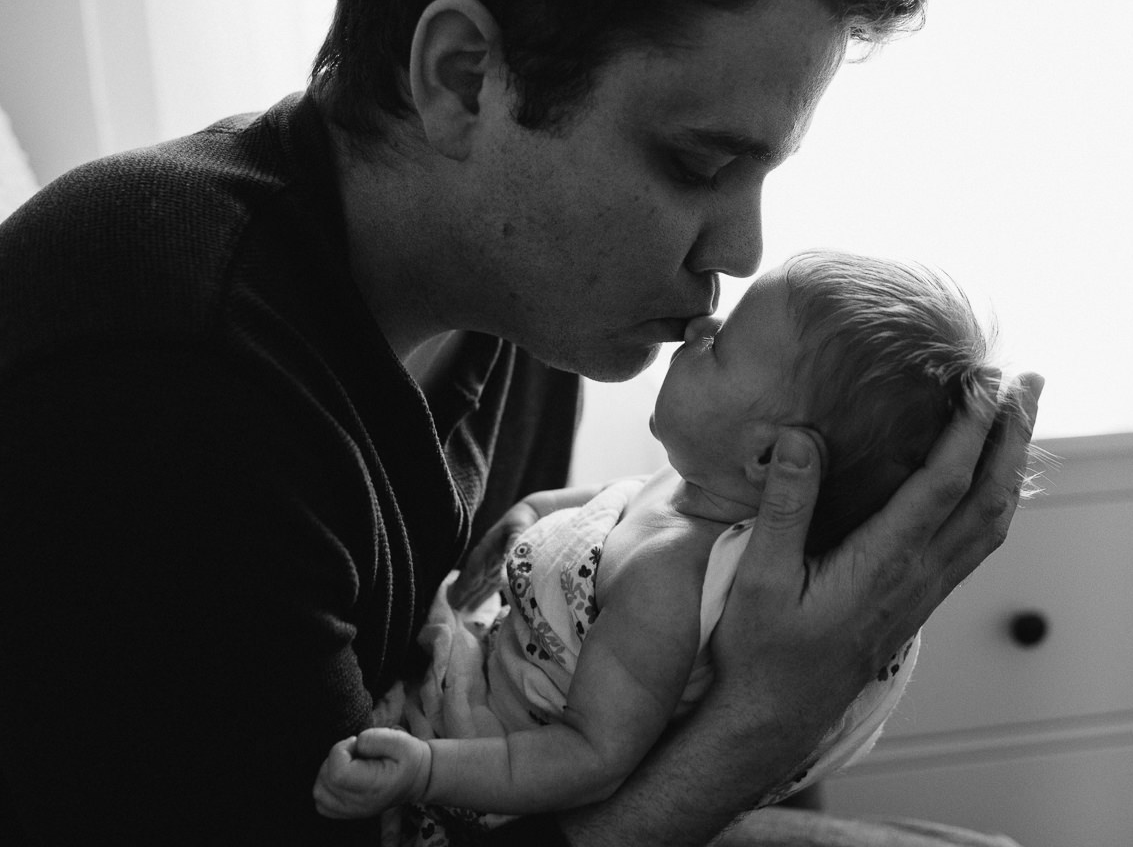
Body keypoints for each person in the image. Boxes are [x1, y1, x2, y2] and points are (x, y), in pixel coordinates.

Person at [0, 0, 1042, 845]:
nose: (740, 250)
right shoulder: (168, 368)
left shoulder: (526, 295)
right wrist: (767, 720)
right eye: (695, 161)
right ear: (463, 79)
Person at [312, 249, 1027, 842]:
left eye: (722, 347)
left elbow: (588, 757)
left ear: (771, 461)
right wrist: (541, 509)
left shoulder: (667, 583)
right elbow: (626, 500)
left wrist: (425, 768)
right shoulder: (703, 488)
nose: (700, 326)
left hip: (482, 768)